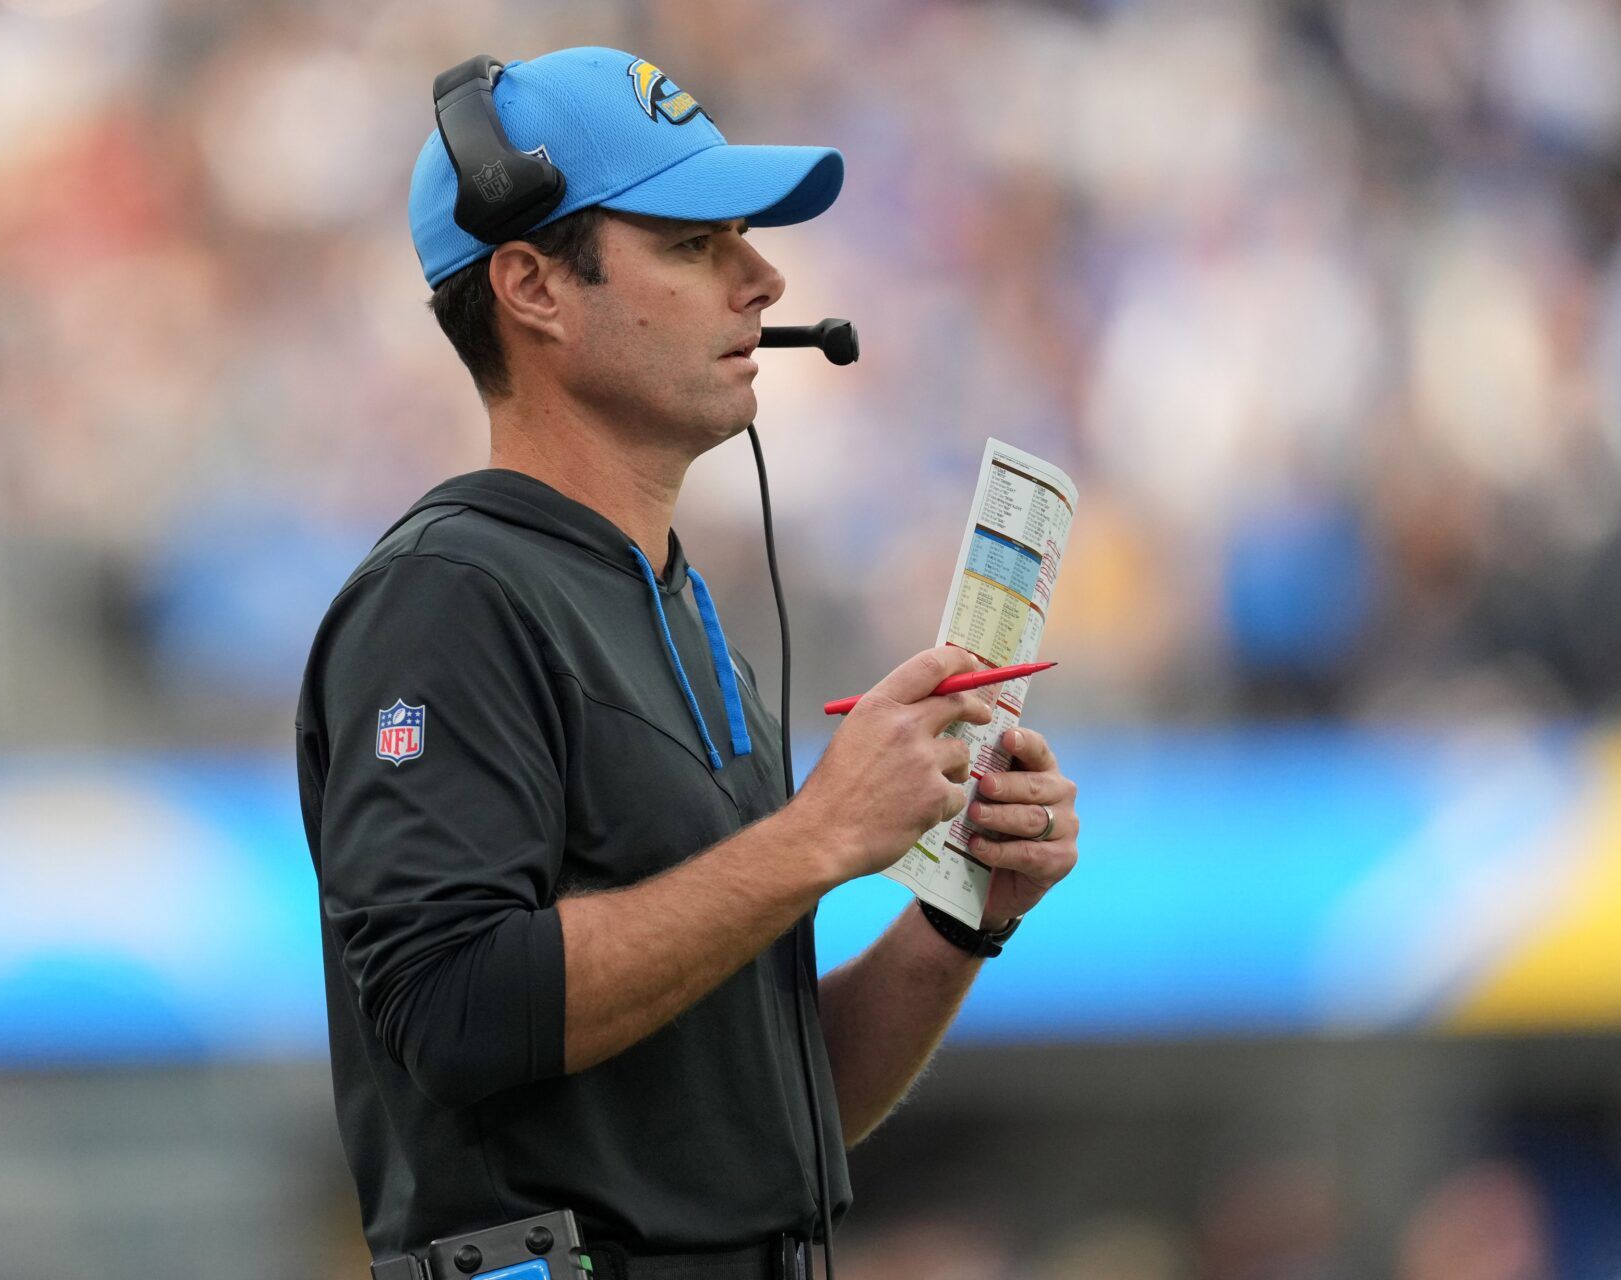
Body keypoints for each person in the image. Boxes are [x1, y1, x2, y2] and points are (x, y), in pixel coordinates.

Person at [294, 46, 1081, 1279]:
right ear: (531, 284)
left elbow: (762, 1118)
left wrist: (959, 913)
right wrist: (818, 831)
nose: (765, 278)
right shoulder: (447, 596)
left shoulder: (674, 601)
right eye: (692, 241)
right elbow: (454, 1011)